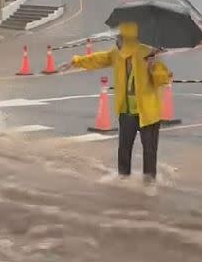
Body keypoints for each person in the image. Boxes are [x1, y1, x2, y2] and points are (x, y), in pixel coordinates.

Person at [63, 22, 170, 181]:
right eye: (118, 38)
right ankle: (123, 180)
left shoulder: (148, 53)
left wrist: (153, 66)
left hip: (148, 113)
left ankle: (149, 184)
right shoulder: (116, 54)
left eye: (121, 39)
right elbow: (98, 59)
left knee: (149, 151)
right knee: (124, 150)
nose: (117, 42)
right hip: (126, 111)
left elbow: (162, 81)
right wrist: (76, 61)